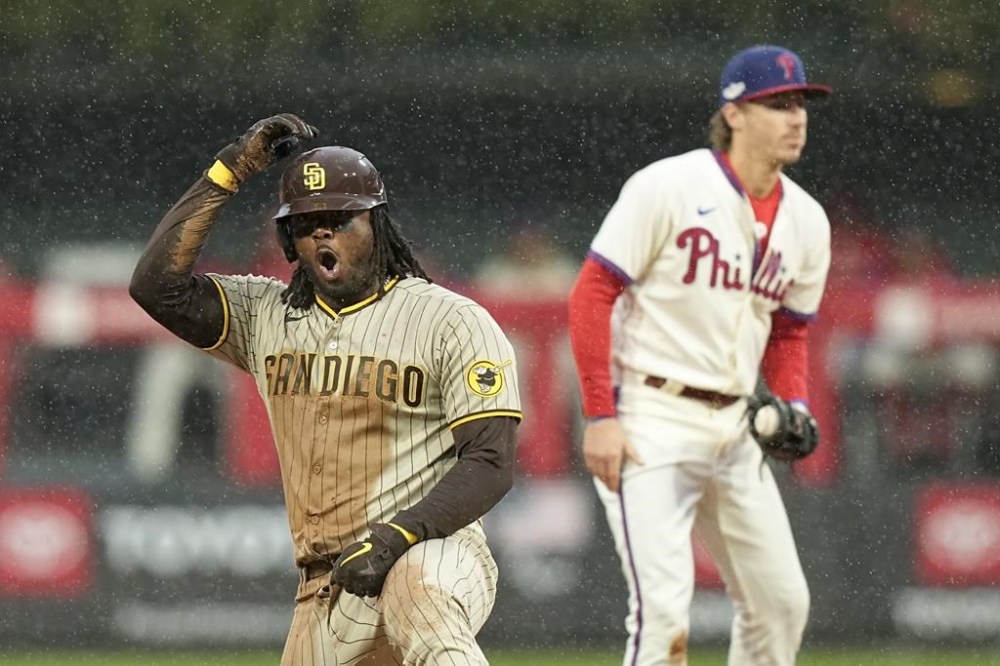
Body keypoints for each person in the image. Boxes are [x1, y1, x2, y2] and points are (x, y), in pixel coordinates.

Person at [130, 114, 522, 665]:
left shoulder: (450, 320)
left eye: (341, 218)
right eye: (307, 222)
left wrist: (396, 538)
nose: (323, 232)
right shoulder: (267, 314)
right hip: (325, 587)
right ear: (289, 241)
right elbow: (156, 287)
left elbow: (491, 460)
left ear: (377, 224)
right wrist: (231, 168)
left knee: (422, 601)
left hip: (433, 548)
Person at [567, 46, 833, 665]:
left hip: (735, 426)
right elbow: (592, 294)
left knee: (781, 604)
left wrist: (793, 401)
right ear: (735, 113)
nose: (796, 117)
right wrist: (601, 415)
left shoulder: (809, 222)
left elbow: (790, 333)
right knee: (662, 616)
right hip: (650, 419)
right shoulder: (669, 186)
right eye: (778, 104)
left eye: (801, 104)